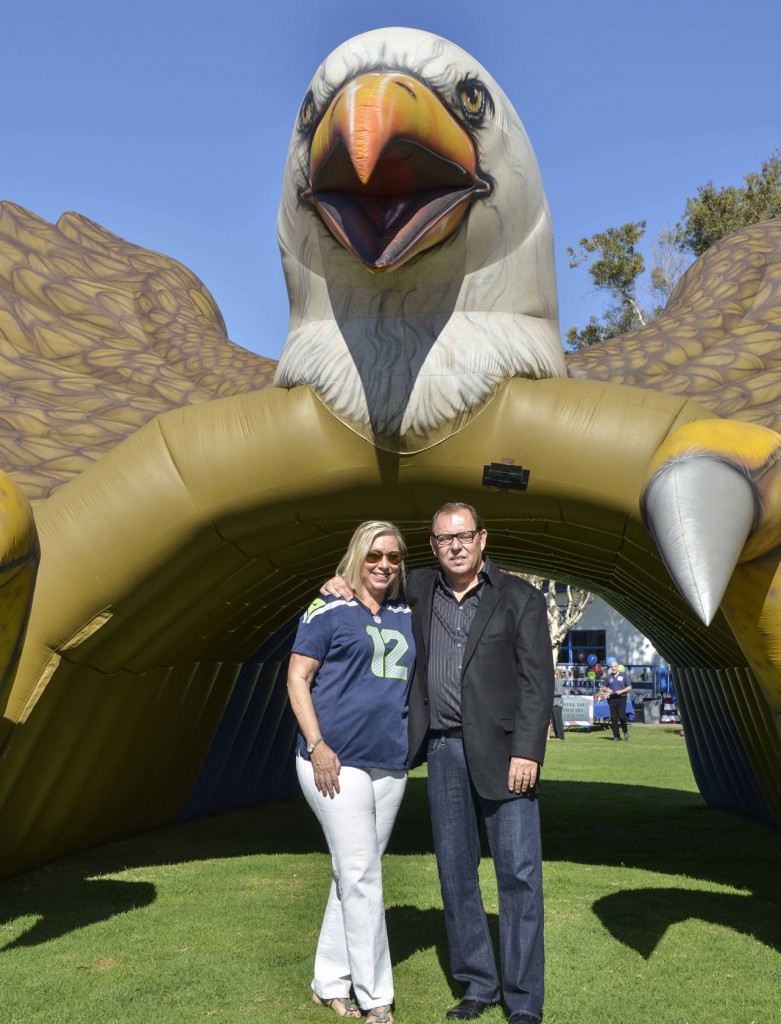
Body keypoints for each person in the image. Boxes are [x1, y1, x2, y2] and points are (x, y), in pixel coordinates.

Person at [323, 502, 554, 1024]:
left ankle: (523, 1003)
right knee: (455, 873)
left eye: (464, 535)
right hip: (445, 750)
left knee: (519, 876)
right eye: (445, 538)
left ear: (482, 538)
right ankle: (478, 986)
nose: (456, 545)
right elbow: (370, 586)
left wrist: (528, 752)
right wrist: (335, 583)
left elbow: (537, 684)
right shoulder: (419, 590)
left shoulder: (520, 598)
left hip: (506, 754)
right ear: (432, 546)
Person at [288, 521, 415, 1024]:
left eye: (394, 557)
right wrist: (318, 744)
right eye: (374, 556)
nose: (384, 564)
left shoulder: (409, 609)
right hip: (334, 761)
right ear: (357, 557)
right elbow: (297, 677)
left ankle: (328, 980)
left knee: (353, 873)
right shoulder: (328, 608)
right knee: (363, 876)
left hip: (389, 763)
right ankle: (376, 998)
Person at [603, 657, 632, 741]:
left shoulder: (624, 676)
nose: (613, 668)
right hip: (612, 699)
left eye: (615, 666)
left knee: (622, 716)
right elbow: (604, 687)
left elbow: (630, 687)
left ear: (618, 667)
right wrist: (607, 689)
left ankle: (625, 732)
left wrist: (622, 691)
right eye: (612, 667)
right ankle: (616, 736)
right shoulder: (608, 677)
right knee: (614, 718)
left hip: (622, 698)